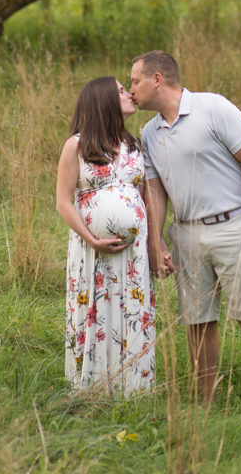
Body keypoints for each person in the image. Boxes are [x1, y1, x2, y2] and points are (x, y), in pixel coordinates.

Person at [130, 51, 241, 403]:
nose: (131, 89)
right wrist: (157, 242)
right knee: (197, 321)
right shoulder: (148, 133)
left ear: (156, 79)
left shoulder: (213, 108)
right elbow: (156, 191)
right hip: (186, 234)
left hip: (233, 227)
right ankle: (206, 399)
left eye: (135, 81)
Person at [56, 76, 155, 394]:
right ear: (104, 101)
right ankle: (93, 387)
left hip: (133, 252)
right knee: (97, 310)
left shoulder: (135, 145)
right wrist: (91, 238)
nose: (130, 93)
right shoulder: (77, 145)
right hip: (91, 250)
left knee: (131, 308)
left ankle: (133, 387)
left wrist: (155, 243)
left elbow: (145, 196)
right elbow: (62, 202)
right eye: (121, 91)